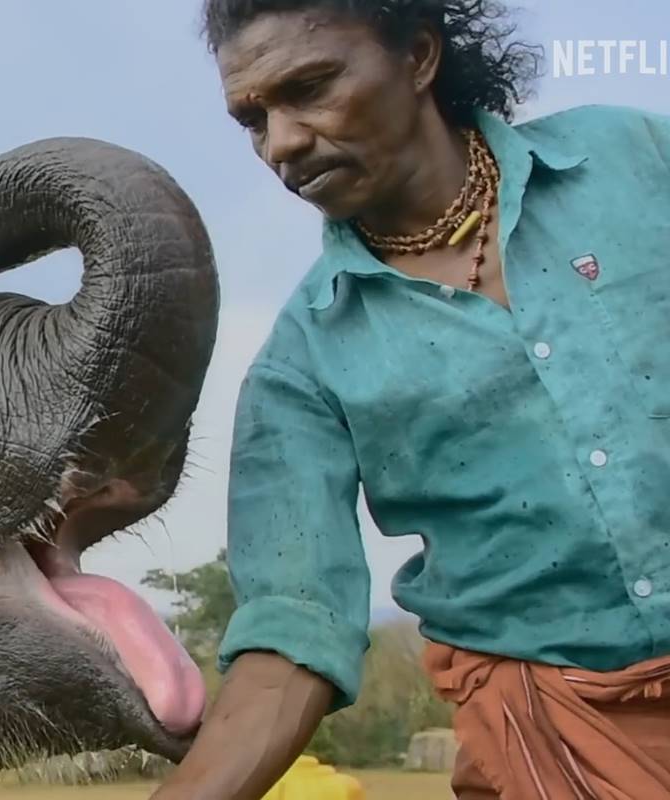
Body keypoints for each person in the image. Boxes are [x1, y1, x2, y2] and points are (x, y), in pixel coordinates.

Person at [151, 2, 670, 799]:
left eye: (310, 87)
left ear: (419, 57)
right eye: (253, 119)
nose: (281, 142)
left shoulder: (633, 159)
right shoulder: (302, 366)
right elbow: (293, 631)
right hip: (558, 746)